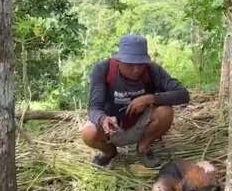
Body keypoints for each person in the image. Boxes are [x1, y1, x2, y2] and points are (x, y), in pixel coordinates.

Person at [81, 34, 190, 168]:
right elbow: (94, 108)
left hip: (141, 124)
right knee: (88, 134)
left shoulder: (152, 70)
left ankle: (143, 147)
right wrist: (104, 120)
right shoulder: (103, 69)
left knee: (165, 111)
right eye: (130, 64)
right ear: (119, 60)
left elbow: (183, 94)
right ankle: (109, 152)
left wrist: (150, 98)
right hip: (112, 127)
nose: (136, 69)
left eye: (140, 64)